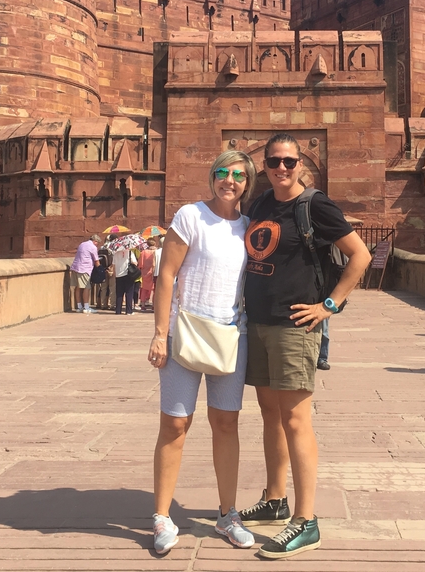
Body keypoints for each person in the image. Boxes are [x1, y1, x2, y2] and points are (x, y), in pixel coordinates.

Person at [239, 133, 371, 559]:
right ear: (264, 165)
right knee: (270, 415)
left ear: (300, 165)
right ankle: (275, 499)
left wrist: (329, 305)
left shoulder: (315, 205)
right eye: (274, 161)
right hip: (259, 321)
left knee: (295, 419)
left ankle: (305, 520)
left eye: (289, 161)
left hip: (294, 325)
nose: (281, 168)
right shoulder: (260, 203)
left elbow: (361, 255)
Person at [147, 151, 258, 555]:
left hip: (230, 334)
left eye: (239, 175)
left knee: (226, 423)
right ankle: (162, 516)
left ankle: (227, 514)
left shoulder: (249, 227)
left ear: (248, 184)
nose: (230, 180)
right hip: (186, 331)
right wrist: (160, 334)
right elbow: (167, 275)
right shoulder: (190, 216)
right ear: (212, 176)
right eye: (222, 172)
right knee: (175, 424)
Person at [69, 234, 101, 313]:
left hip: (75, 267)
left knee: (78, 287)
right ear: (95, 241)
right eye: (97, 243)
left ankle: (79, 307)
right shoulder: (93, 247)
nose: (97, 245)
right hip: (84, 268)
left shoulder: (82, 244)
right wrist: (101, 270)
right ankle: (86, 307)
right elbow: (96, 260)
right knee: (86, 287)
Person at [113, 243, 137, 315]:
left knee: (119, 294)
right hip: (128, 274)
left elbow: (113, 265)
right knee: (129, 293)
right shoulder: (130, 252)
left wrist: (115, 275)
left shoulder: (115, 253)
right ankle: (129, 311)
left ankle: (118, 310)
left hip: (118, 275)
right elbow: (135, 263)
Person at [138, 238, 158, 311]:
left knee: (144, 289)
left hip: (145, 272)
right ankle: (153, 305)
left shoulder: (143, 252)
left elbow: (140, 264)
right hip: (154, 271)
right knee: (155, 289)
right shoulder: (157, 252)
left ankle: (143, 305)